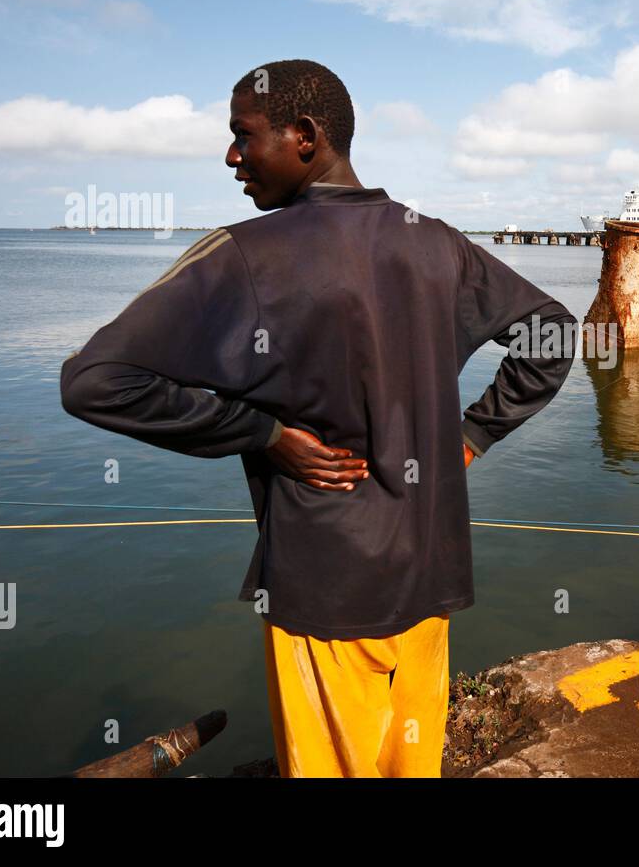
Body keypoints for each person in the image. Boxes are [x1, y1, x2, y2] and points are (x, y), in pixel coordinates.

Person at [60, 59, 576, 777]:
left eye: (244, 135)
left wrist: (263, 435)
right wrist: (472, 435)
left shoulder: (245, 255)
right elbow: (552, 332)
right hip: (427, 570)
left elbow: (93, 381)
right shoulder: (436, 241)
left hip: (325, 583)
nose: (232, 157)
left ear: (304, 136)